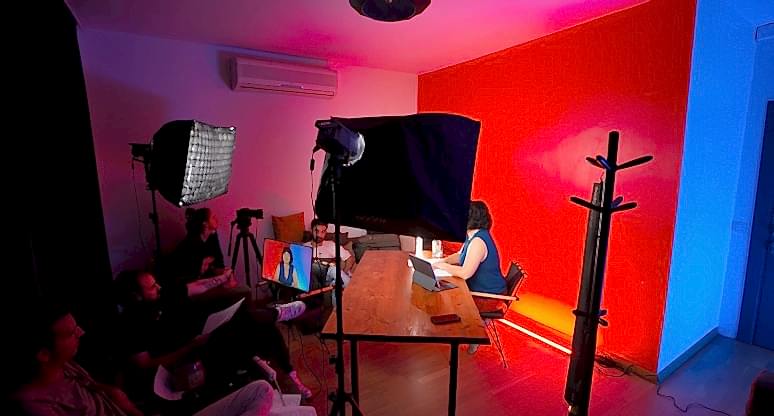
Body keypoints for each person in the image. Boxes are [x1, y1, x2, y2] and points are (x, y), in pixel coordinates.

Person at [11, 302, 274, 416]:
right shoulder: (34, 404)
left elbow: (109, 396)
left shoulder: (67, 365)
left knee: (261, 389)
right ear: (43, 353)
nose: (80, 332)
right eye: (70, 333)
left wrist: (120, 399)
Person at [114, 270, 312, 402]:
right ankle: (276, 313)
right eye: (151, 287)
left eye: (156, 283)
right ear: (136, 297)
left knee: (260, 326)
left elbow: (197, 286)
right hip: (187, 363)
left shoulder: (162, 296)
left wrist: (222, 278)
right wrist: (191, 346)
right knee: (249, 322)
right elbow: (146, 365)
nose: (158, 288)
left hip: (201, 339)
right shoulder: (130, 326)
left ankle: (291, 373)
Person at [433, 200, 507, 353]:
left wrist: (443, 267)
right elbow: (460, 256)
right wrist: (443, 261)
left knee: (447, 295)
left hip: (488, 296)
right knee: (445, 290)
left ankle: (474, 331)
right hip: (479, 289)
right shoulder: (472, 235)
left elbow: (465, 273)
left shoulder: (478, 242)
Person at [305, 219, 355, 288]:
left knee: (334, 271)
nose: (319, 235)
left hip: (330, 276)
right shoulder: (304, 246)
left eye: (323, 232)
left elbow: (349, 258)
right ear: (311, 230)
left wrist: (345, 272)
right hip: (314, 278)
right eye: (316, 231)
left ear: (326, 232)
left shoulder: (331, 244)